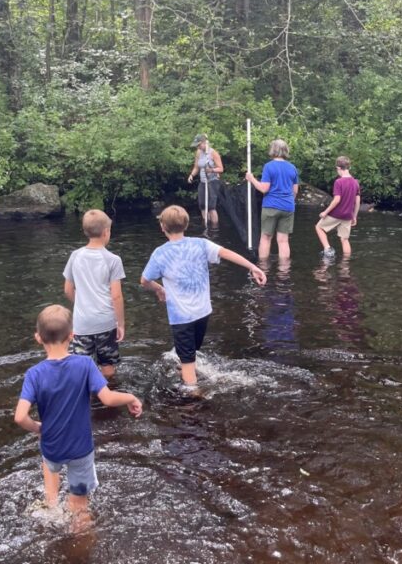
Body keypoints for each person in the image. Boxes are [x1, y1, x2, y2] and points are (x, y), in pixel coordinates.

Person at [14, 304, 142, 525]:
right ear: (72, 336)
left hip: (52, 447)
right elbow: (108, 399)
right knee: (80, 505)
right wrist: (131, 397)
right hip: (80, 449)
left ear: (38, 338)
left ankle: (51, 503)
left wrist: (38, 428)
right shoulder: (85, 365)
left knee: (49, 464)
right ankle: (80, 537)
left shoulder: (34, 374)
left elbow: (19, 417)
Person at [140, 204, 267, 387]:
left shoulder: (160, 254)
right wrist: (252, 267)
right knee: (190, 354)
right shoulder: (200, 244)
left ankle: (194, 396)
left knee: (187, 362)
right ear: (186, 224)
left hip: (181, 319)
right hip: (203, 313)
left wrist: (158, 288)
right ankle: (189, 372)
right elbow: (226, 253)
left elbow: (144, 281)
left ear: (162, 227)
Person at [63, 209, 125, 379]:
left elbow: (67, 289)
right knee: (107, 365)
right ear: (106, 232)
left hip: (82, 323)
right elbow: (116, 296)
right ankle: (108, 392)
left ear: (85, 232)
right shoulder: (113, 259)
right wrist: (120, 324)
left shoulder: (75, 256)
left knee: (82, 367)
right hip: (106, 322)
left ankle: (87, 394)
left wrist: (81, 303)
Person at [245, 138, 300, 260]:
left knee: (266, 237)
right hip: (288, 207)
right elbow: (295, 191)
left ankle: (263, 267)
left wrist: (252, 179)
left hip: (271, 206)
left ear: (273, 150)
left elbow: (264, 189)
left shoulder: (269, 167)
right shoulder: (292, 167)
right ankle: (284, 269)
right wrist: (289, 201)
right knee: (283, 240)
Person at [315, 156, 361, 259]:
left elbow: (337, 200)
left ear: (338, 168)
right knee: (344, 239)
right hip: (348, 215)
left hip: (337, 214)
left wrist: (325, 212)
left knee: (319, 227)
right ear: (349, 167)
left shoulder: (338, 182)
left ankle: (328, 249)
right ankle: (346, 263)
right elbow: (357, 201)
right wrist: (354, 216)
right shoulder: (355, 182)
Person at [187, 133, 224, 228]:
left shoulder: (213, 153)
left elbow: (221, 169)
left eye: (199, 145)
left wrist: (211, 170)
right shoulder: (198, 152)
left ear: (204, 143)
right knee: (202, 205)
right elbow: (196, 167)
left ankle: (214, 227)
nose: (198, 147)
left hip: (213, 181)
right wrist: (191, 175)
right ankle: (206, 225)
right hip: (202, 181)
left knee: (211, 207)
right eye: (197, 146)